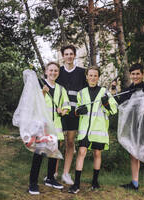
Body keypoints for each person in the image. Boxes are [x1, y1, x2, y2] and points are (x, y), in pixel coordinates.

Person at [68, 66, 117, 194]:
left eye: (95, 75)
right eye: (90, 75)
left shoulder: (104, 92)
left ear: (98, 77)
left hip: (98, 130)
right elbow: (77, 110)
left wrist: (106, 104)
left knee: (97, 154)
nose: (93, 78)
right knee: (81, 152)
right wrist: (78, 111)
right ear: (87, 76)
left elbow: (113, 110)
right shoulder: (81, 93)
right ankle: (76, 184)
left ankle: (95, 182)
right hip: (85, 130)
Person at [28, 62, 70, 195]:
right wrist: (43, 93)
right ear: (46, 71)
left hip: (56, 127)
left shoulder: (61, 89)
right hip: (42, 126)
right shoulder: (40, 85)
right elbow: (32, 103)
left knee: (53, 153)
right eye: (51, 70)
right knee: (39, 154)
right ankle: (33, 183)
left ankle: (50, 178)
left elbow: (67, 106)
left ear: (58, 73)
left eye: (56, 71)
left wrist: (62, 111)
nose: (53, 73)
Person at [116, 63, 144, 198]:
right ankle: (135, 183)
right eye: (133, 74)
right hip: (133, 129)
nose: (135, 76)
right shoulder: (127, 91)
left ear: (142, 74)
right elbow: (120, 106)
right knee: (134, 155)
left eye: (138, 73)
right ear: (130, 75)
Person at [56, 45, 88, 185]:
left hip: (74, 114)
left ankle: (66, 173)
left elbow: (87, 92)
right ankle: (54, 172)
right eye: (66, 54)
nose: (69, 56)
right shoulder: (59, 72)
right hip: (60, 113)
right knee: (57, 142)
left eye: (71, 54)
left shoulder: (82, 72)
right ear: (63, 56)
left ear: (74, 55)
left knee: (70, 142)